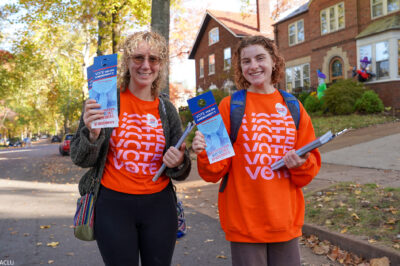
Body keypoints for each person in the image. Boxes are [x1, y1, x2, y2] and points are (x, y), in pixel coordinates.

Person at [192, 35, 321, 265]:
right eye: (246, 61)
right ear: (241, 68)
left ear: (274, 61)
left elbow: (309, 169)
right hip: (245, 223)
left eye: (260, 58)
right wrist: (203, 151)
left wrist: (301, 164)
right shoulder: (230, 106)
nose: (254, 66)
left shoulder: (293, 106)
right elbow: (213, 172)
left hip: (285, 221)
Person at [70, 31, 191, 266]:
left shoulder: (167, 109)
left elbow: (181, 170)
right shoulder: (104, 102)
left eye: (153, 59)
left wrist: (179, 162)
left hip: (159, 206)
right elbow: (79, 157)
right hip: (112, 206)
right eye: (138, 58)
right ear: (127, 61)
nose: (146, 65)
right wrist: (92, 134)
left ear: (160, 64)